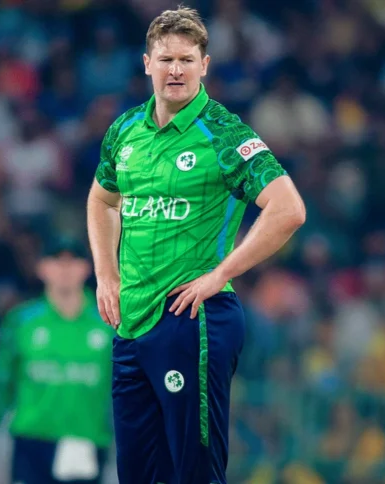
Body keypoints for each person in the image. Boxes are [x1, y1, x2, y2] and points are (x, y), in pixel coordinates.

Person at [85, 7, 306, 484]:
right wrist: (106, 274)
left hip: (193, 318)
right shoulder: (124, 131)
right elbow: (102, 199)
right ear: (147, 63)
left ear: (205, 65)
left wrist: (221, 273)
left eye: (187, 59)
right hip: (132, 322)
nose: (176, 70)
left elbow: (288, 209)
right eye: (166, 59)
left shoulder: (224, 134)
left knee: (194, 475)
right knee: (137, 476)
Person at [0, 237, 115, 484]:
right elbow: (0, 389)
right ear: (42, 267)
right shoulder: (22, 321)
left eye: (73, 260)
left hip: (85, 441)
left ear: (87, 267)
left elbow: (127, 391)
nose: (65, 268)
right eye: (57, 260)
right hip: (32, 443)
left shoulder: (107, 322)